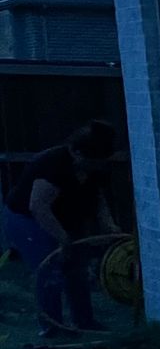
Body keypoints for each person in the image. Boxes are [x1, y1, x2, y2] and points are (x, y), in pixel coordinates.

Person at [4, 120, 118, 334]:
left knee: (77, 271)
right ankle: (52, 327)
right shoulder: (53, 164)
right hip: (28, 219)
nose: (96, 165)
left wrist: (108, 224)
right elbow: (38, 207)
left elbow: (98, 197)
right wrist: (63, 238)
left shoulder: (96, 166)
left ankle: (84, 322)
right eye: (92, 161)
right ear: (76, 152)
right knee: (50, 270)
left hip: (67, 218)